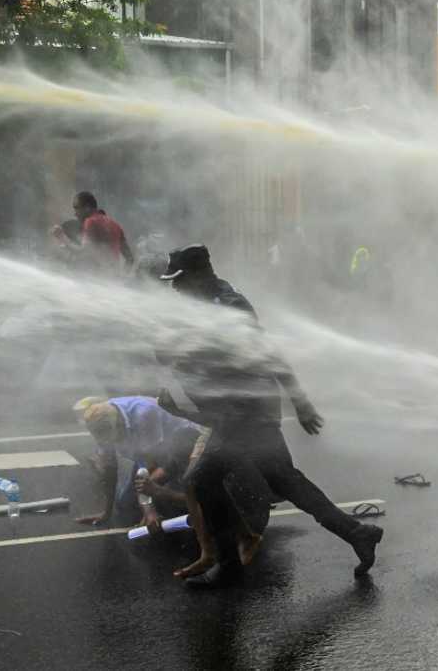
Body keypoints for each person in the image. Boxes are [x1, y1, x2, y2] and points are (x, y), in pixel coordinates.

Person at [156, 244, 383, 587]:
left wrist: (300, 400)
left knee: (204, 479)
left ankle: (230, 552)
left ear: (200, 274)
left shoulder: (230, 306)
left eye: (179, 279)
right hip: (239, 407)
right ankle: (355, 533)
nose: (174, 288)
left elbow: (266, 353)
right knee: (281, 479)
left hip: (250, 408)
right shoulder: (204, 303)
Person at [72, 395, 205, 534]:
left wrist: (149, 509)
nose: (115, 443)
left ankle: (188, 502)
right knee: (126, 504)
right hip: (151, 456)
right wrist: (106, 512)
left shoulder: (144, 414)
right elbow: (110, 469)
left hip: (182, 446)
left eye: (116, 438)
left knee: (178, 498)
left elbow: (150, 465)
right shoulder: (99, 422)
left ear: (119, 424)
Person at [50, 191, 134, 273]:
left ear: (87, 208)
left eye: (76, 208)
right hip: (112, 279)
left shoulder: (91, 221)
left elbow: (83, 252)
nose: (75, 214)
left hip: (96, 278)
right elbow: (130, 259)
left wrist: (62, 237)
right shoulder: (116, 225)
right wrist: (122, 279)